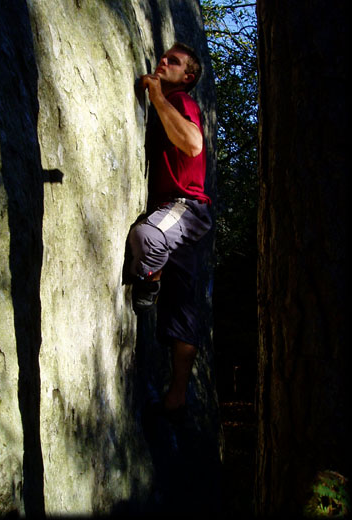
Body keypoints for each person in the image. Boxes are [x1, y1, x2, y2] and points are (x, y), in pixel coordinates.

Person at [127, 41, 212, 424]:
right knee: (184, 307)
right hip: (190, 219)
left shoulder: (180, 100)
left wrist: (158, 93)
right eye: (163, 57)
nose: (163, 61)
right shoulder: (175, 98)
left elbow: (192, 144)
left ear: (187, 76)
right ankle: (176, 399)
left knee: (148, 238)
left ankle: (151, 277)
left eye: (173, 61)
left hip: (184, 206)